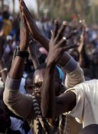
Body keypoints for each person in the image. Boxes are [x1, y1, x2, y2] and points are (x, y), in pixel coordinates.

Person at [3, 1, 84, 133]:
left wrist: (40, 37)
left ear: (60, 83)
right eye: (37, 85)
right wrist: (23, 47)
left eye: (46, 82)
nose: (40, 90)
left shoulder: (72, 97)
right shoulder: (33, 108)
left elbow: (75, 71)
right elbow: (9, 97)